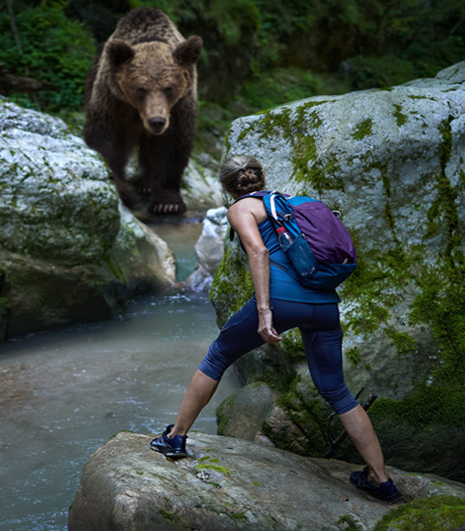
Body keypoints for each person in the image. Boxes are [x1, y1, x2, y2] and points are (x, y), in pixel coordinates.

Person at [150, 154, 401, 503]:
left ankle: (175, 437)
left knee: (218, 355)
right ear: (261, 176)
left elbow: (258, 252)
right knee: (337, 392)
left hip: (283, 300)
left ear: (227, 187)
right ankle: (381, 479)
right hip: (325, 304)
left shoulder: (241, 208)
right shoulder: (290, 204)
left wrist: (265, 312)